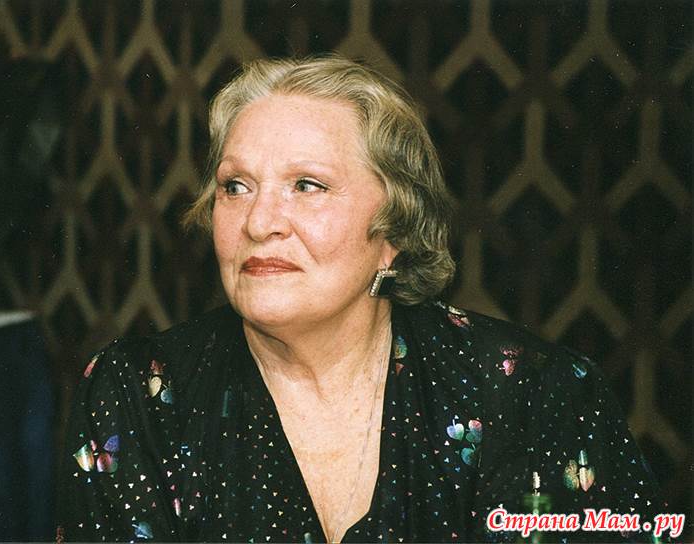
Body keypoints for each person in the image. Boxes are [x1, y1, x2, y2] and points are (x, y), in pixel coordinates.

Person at [57, 55, 667, 543]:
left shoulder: (535, 394)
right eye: (235, 186)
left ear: (393, 232)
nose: (259, 221)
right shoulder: (137, 395)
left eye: (307, 186)